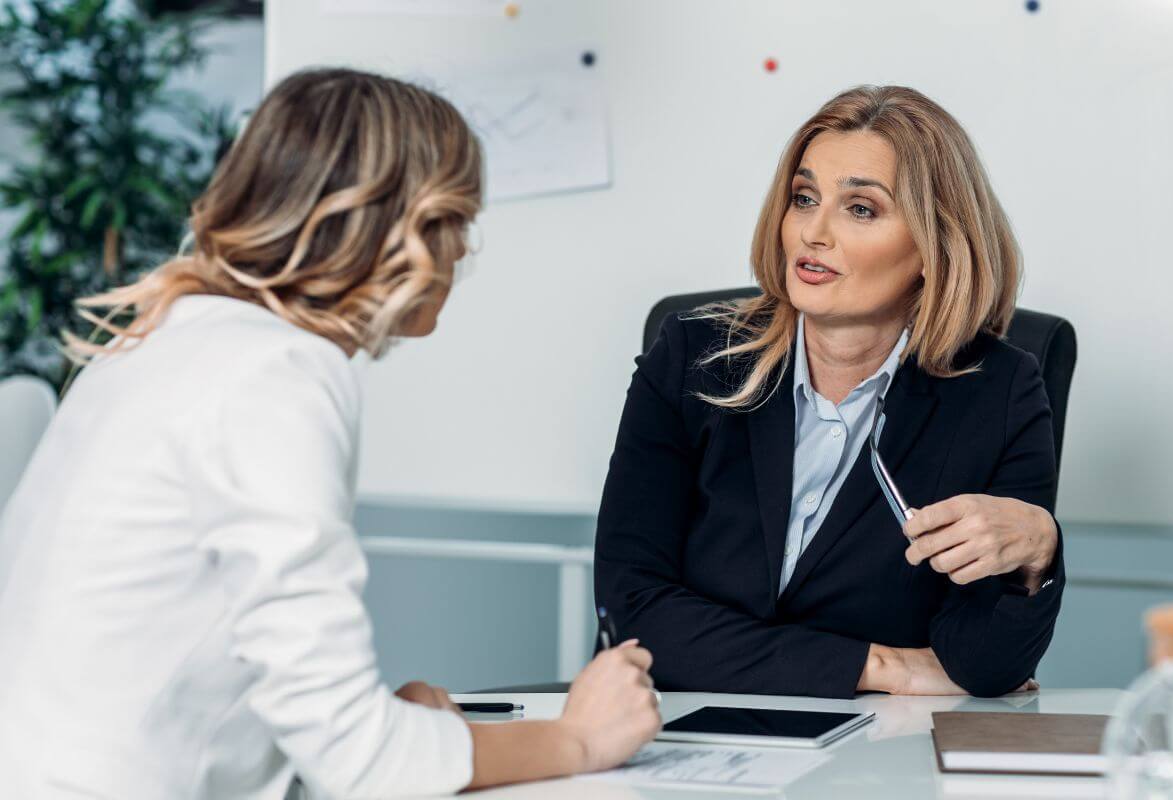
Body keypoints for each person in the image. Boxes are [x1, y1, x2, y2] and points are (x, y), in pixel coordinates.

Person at [0, 68, 660, 799]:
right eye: (460, 221)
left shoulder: (164, 341)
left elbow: (284, 703)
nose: (463, 254)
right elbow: (360, 763)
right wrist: (579, 738)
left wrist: (407, 732)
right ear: (410, 227)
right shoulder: (276, 375)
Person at [593, 85, 1064, 700]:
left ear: (936, 246)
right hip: (673, 726)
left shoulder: (999, 392)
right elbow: (632, 612)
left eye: (860, 209)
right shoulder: (693, 356)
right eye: (804, 198)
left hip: (877, 748)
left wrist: (1038, 552)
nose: (813, 232)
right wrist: (882, 667)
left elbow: (980, 667)